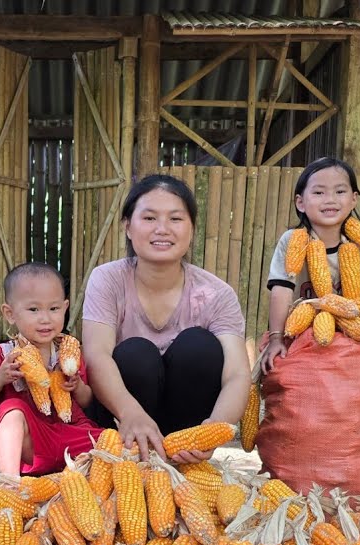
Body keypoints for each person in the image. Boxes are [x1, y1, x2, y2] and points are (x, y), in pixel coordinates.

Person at [82, 174, 251, 464]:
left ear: (192, 229)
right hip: (120, 420)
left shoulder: (216, 293)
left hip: (185, 432)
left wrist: (216, 427)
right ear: (127, 227)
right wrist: (130, 412)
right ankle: (132, 457)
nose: (162, 229)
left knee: (199, 347)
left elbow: (237, 373)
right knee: (136, 353)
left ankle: (181, 461)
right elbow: (96, 356)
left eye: (175, 219)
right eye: (149, 218)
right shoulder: (107, 279)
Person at [0, 262, 102, 476]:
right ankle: (10, 481)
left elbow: (87, 401)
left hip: (67, 432)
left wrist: (77, 386)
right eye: (33, 309)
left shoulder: (68, 351)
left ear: (65, 307)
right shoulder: (4, 354)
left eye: (54, 309)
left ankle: (73, 473)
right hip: (30, 442)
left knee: (111, 442)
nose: (45, 319)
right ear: (10, 313)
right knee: (12, 409)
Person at [261, 157, 360, 371]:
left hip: (350, 332)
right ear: (300, 202)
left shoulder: (359, 245)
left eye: (340, 192)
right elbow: (281, 291)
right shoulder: (292, 241)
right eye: (319, 193)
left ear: (354, 199)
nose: (330, 199)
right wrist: (276, 339)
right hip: (302, 331)